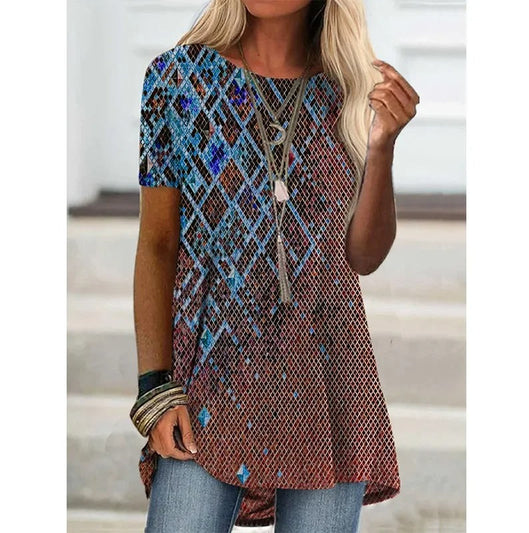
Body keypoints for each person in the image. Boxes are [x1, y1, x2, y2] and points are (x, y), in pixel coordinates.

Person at [131, 0, 419, 531]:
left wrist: (382, 148)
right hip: (211, 375)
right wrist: (155, 386)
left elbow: (364, 255)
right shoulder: (176, 80)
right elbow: (157, 243)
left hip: (329, 381)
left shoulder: (352, 88)